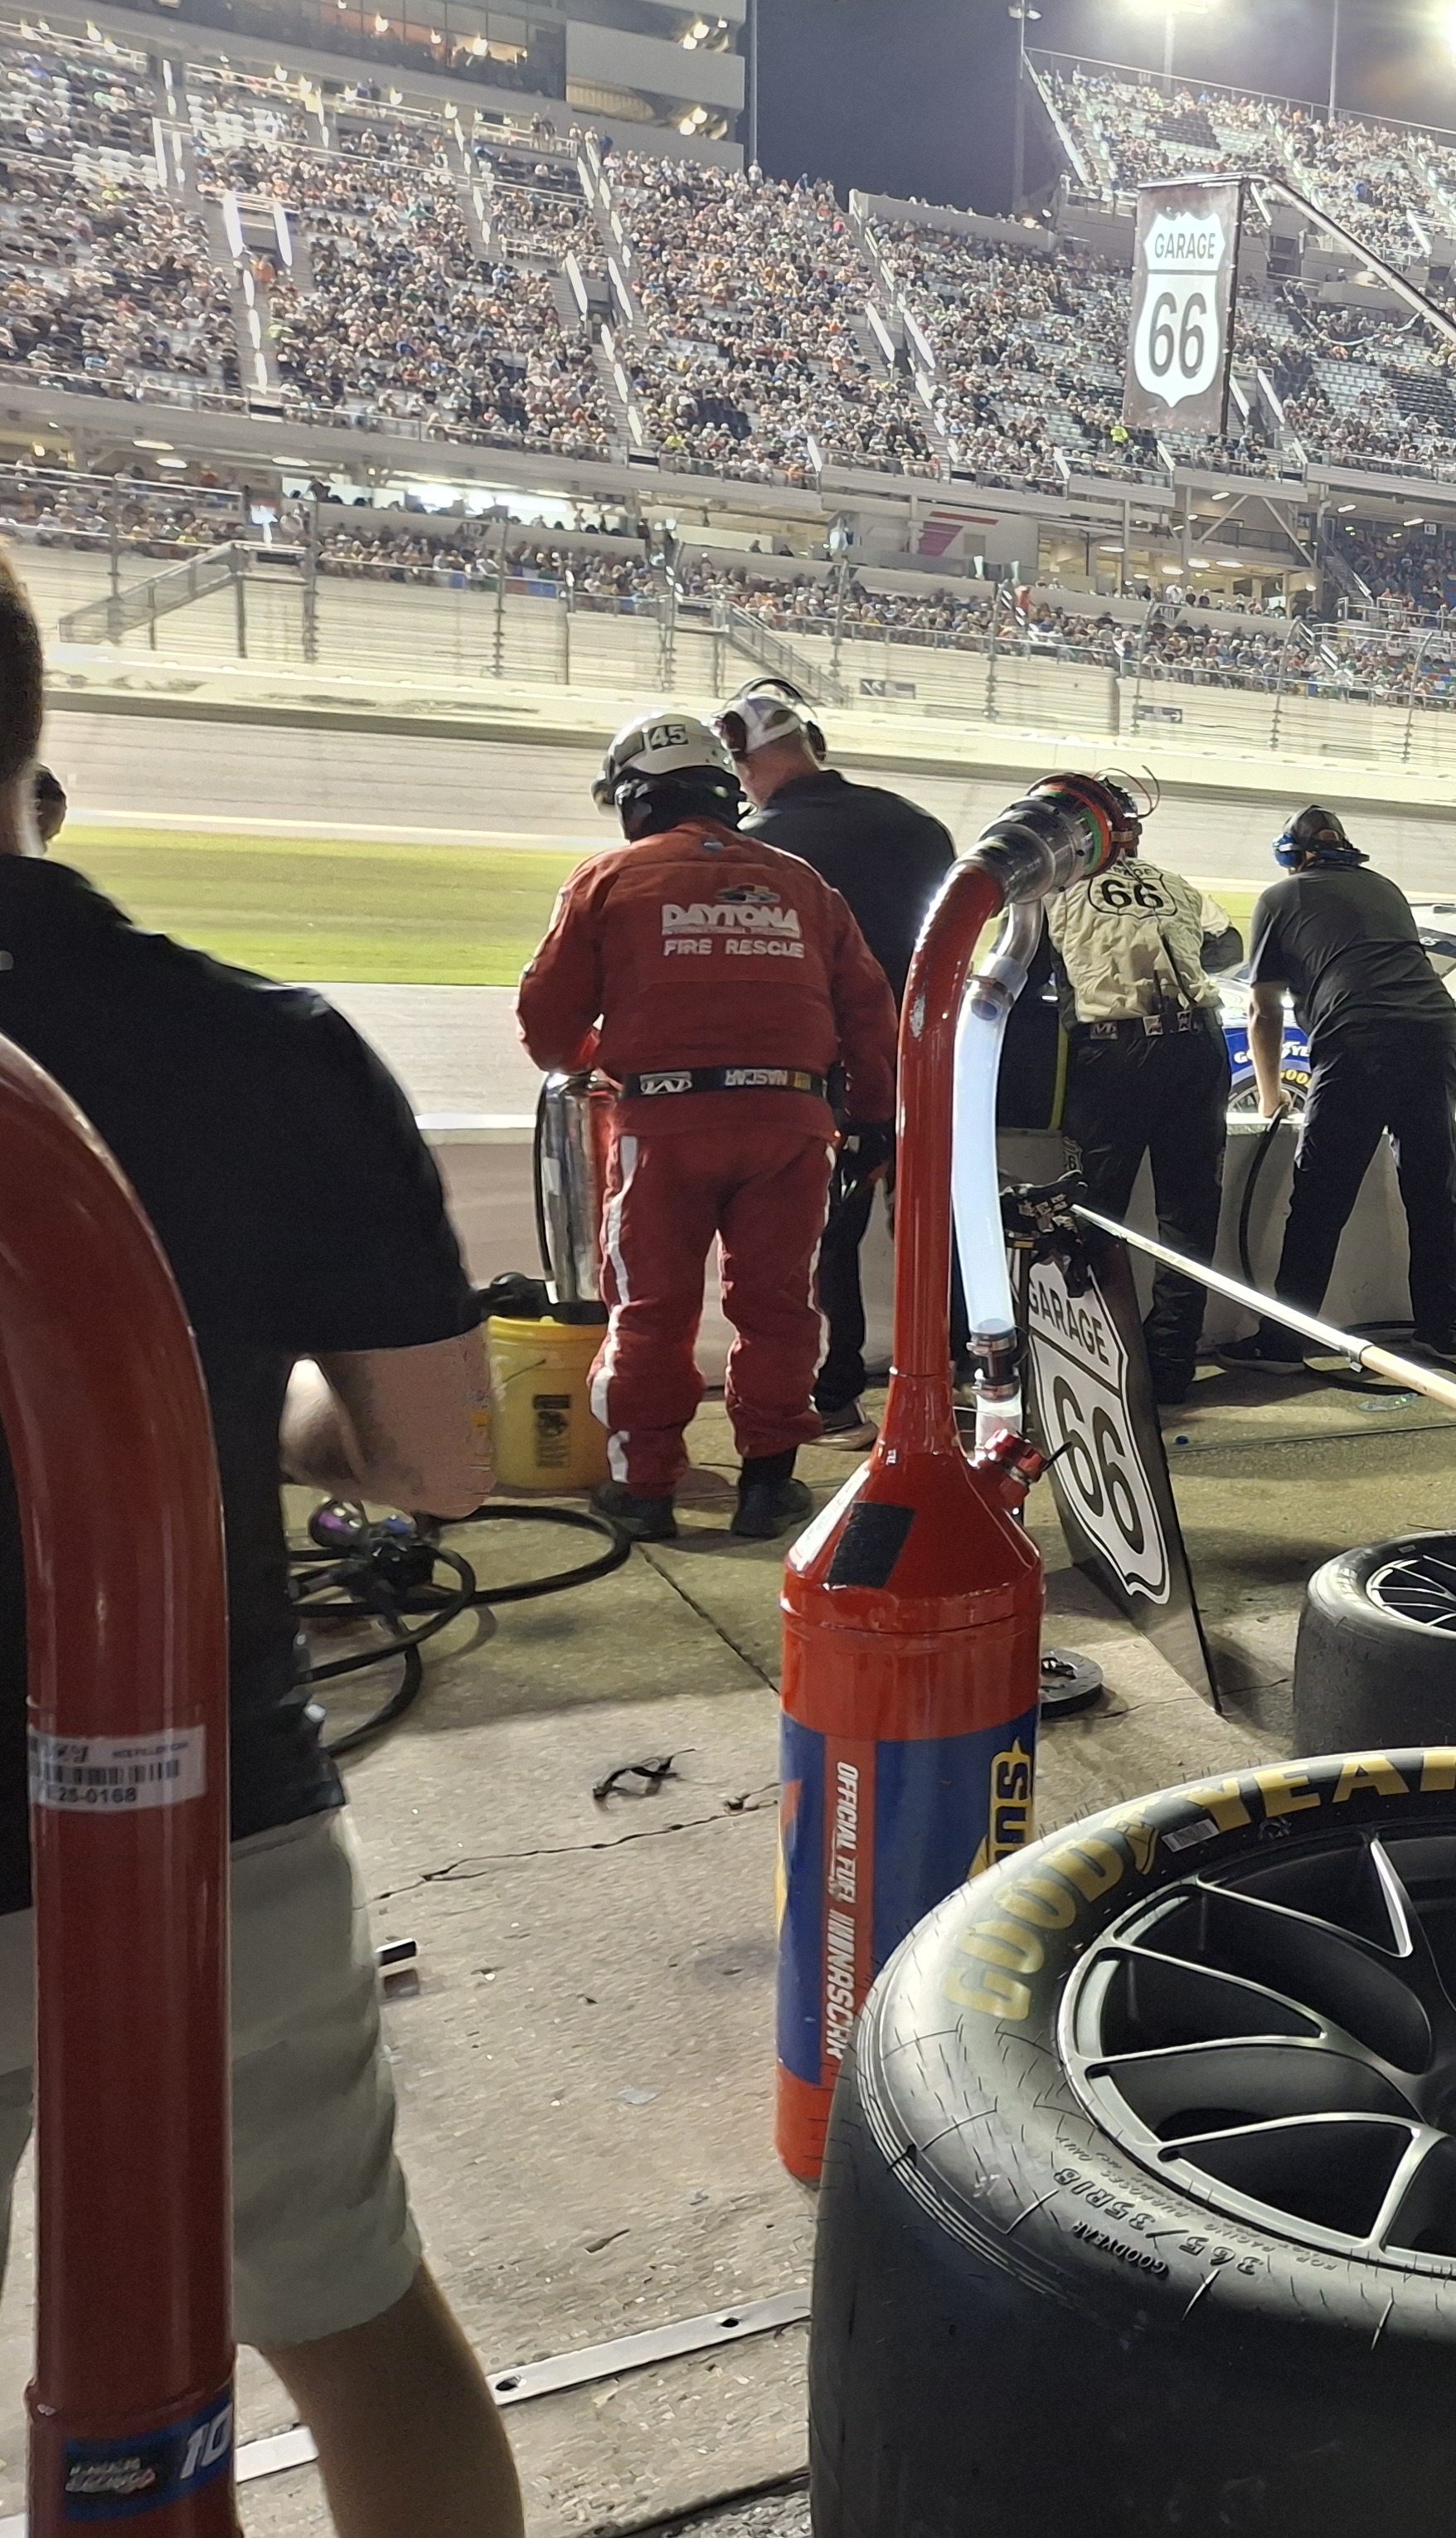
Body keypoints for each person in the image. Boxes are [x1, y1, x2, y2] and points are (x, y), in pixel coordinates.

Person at [0, 550, 523, 2538]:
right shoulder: (270, 1047)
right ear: (32, 758)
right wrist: (250, 1424)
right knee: (353, 2317)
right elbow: (438, 1467)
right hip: (217, 1810)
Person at [517, 711, 897, 1541]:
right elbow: (873, 1014)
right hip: (791, 1124)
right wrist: (872, 1120)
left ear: (634, 799)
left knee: (649, 1310)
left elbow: (546, 1023)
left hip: (665, 1122)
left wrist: (603, 1057)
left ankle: (645, 1490)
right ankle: (768, 1485)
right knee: (778, 1309)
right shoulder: (804, 883)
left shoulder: (609, 877)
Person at [721, 678, 954, 1450]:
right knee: (931, 1224)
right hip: (927, 1046)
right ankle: (954, 1378)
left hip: (828, 1060)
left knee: (829, 1234)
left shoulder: (761, 843)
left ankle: (836, 1393)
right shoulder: (917, 825)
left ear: (750, 761)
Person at [1224, 805, 1456, 1368]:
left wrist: (1269, 1094)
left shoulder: (1279, 899)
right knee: (1432, 1191)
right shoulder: (1384, 887)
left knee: (1320, 1196)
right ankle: (1443, 1329)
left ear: (1294, 858)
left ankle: (1286, 1339)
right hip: (1433, 1030)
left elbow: (1264, 1010)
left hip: (1358, 1036)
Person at [1046, 777, 1235, 1403]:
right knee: (1189, 1215)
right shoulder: (1174, 883)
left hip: (1115, 1051)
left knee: (1095, 1211)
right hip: (1198, 1047)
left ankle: (1097, 1357)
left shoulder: (1051, 886)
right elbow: (1228, 945)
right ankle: (1172, 1361)